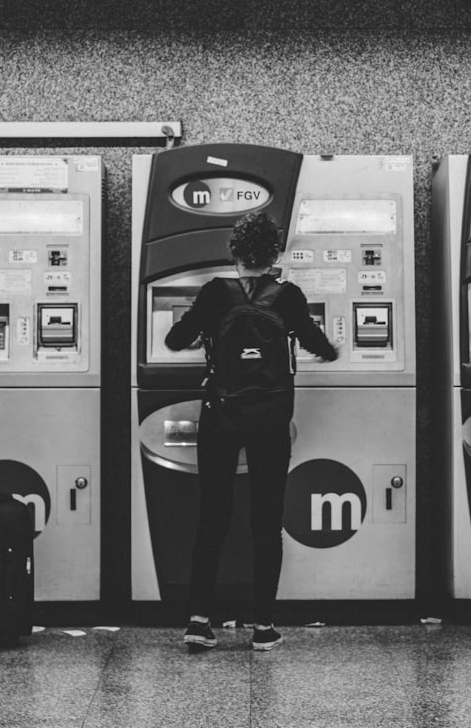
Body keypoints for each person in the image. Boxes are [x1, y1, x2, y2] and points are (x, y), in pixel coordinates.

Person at [165, 211, 337, 652]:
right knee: (266, 520)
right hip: (271, 417)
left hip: (221, 413)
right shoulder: (289, 296)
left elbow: (174, 340)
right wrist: (329, 347)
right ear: (274, 253)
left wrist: (198, 326)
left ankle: (199, 622)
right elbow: (321, 347)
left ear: (236, 252)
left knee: (212, 517)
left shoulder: (213, 294)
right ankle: (263, 626)